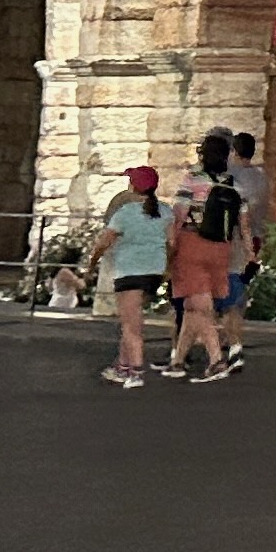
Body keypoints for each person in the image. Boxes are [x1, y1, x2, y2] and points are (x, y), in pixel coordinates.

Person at [164, 137, 242, 382]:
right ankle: (177, 362)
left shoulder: (193, 179)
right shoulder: (232, 184)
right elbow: (244, 221)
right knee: (191, 306)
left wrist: (170, 248)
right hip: (220, 248)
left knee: (200, 306)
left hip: (192, 244)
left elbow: (178, 216)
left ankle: (217, 360)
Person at [96, 165, 169, 389]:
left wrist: (91, 261)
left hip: (129, 271)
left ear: (133, 185)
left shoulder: (124, 211)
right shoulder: (165, 211)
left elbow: (105, 240)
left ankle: (135, 372)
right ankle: (122, 364)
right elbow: (172, 242)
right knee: (133, 321)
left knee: (131, 326)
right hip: (154, 270)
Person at [214, 131, 267, 365]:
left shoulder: (230, 177)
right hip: (256, 236)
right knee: (239, 289)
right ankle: (231, 336)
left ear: (234, 152)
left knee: (228, 290)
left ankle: (227, 339)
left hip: (235, 239)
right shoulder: (262, 177)